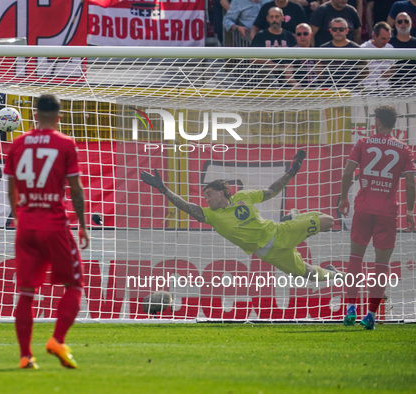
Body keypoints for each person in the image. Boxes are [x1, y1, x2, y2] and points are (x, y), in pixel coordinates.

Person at [141, 150, 340, 282]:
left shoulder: (243, 196)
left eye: (209, 194)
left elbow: (271, 190)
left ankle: (293, 220)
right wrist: (163, 189)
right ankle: (333, 274)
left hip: (279, 232)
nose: (207, 199)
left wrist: (292, 171)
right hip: (269, 253)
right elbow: (186, 206)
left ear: (222, 192)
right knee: (308, 274)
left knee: (329, 221)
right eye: (205, 196)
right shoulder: (211, 215)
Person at [4, 94, 89, 370]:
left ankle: (25, 356)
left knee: (26, 293)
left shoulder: (17, 144)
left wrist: (19, 217)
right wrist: (84, 224)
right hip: (54, 225)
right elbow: (75, 189)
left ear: (34, 115)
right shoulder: (65, 144)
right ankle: (57, 340)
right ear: (59, 116)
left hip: (26, 225)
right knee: (74, 285)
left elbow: (11, 187)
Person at [338, 106, 416, 330]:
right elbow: (411, 182)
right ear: (393, 124)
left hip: (363, 209)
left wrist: (344, 198)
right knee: (381, 265)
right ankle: (371, 315)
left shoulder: (363, 143)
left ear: (378, 123)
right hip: (387, 212)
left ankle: (350, 308)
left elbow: (347, 173)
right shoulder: (404, 149)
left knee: (355, 259)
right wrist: (410, 211)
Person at [318, 18, 362, 90]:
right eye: (335, 29)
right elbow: (319, 72)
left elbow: (365, 71)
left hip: (351, 91)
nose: (338, 32)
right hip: (329, 90)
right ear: (330, 31)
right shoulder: (323, 49)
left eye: (341, 29)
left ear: (347, 31)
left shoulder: (356, 49)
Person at [360, 22, 394, 90]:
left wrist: (390, 73)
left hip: (385, 90)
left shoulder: (390, 48)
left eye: (388, 38)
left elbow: (393, 68)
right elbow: (359, 73)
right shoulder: (363, 49)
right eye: (383, 39)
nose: (386, 42)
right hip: (368, 90)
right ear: (374, 35)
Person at [285, 23, 318, 87]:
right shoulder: (290, 53)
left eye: (305, 34)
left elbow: (321, 75)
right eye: (299, 34)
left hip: (316, 90)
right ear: (295, 36)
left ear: (310, 35)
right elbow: (288, 76)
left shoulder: (316, 53)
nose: (302, 36)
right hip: (298, 91)